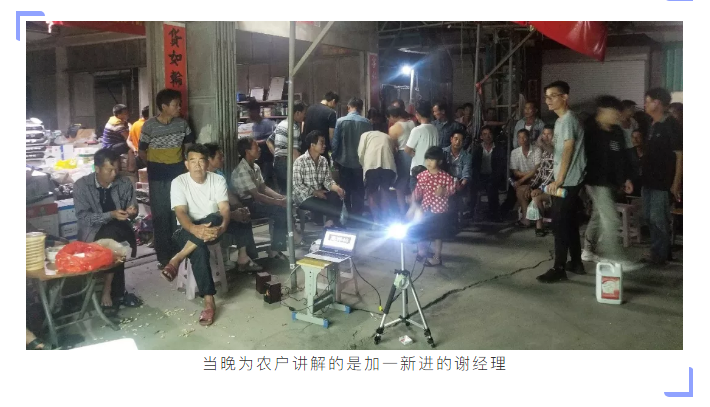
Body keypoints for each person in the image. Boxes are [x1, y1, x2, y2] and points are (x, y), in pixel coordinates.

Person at [169, 144, 231, 326]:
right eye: (193, 161)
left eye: (201, 161)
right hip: (186, 229)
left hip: (214, 229)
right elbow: (180, 212)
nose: (197, 165)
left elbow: (224, 209)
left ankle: (178, 257)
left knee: (214, 217)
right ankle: (209, 301)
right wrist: (194, 228)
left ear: (207, 163)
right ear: (186, 164)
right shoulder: (178, 182)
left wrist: (223, 227)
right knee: (199, 250)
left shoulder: (217, 180)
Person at [74, 148, 142, 312]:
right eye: (109, 170)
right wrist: (110, 215)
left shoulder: (124, 183)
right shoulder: (82, 185)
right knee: (112, 239)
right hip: (93, 231)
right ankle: (115, 292)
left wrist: (132, 211)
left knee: (113, 236)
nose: (114, 174)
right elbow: (83, 217)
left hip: (121, 228)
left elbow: (133, 208)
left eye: (116, 170)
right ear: (97, 169)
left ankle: (108, 289)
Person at [537, 81, 587, 283]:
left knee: (559, 224)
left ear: (565, 97)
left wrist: (558, 180)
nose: (548, 100)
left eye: (552, 96)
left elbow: (568, 149)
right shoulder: (560, 121)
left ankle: (559, 268)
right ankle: (576, 262)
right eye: (546, 97)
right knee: (570, 222)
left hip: (568, 181)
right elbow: (559, 151)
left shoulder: (568, 120)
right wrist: (546, 146)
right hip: (568, 179)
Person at [139, 89, 195, 270]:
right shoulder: (149, 126)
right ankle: (164, 258)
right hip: (157, 178)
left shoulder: (182, 124)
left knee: (178, 215)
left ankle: (179, 255)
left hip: (178, 176)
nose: (179, 107)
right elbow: (142, 151)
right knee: (160, 216)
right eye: (175, 105)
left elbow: (189, 147)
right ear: (164, 107)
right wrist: (155, 166)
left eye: (179, 104)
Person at [581, 95, 635, 263]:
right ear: (602, 111)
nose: (617, 116)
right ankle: (614, 257)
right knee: (611, 219)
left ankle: (588, 250)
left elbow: (622, 157)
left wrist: (626, 179)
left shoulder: (617, 132)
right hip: (596, 181)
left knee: (598, 216)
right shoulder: (589, 131)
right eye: (614, 112)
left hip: (612, 182)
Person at [232, 136, 299, 259]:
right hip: (245, 204)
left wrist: (281, 197)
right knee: (280, 210)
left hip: (255, 202)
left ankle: (279, 245)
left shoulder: (255, 167)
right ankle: (277, 248)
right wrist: (278, 202)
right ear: (247, 151)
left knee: (283, 207)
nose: (259, 149)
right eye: (256, 147)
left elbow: (263, 188)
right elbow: (257, 195)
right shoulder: (242, 170)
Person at [204, 143, 261, 272]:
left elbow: (229, 195)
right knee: (236, 219)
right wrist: (233, 214)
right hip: (209, 219)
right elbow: (209, 209)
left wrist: (240, 208)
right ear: (209, 159)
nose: (223, 159)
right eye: (219, 157)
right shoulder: (202, 178)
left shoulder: (219, 175)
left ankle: (243, 258)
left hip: (222, 214)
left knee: (244, 219)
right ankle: (236, 259)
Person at [641, 88, 683, 265]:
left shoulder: (671, 125)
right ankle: (656, 250)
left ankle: (661, 254)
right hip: (648, 179)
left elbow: (680, 155)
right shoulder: (652, 124)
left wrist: (675, 183)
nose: (645, 104)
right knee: (649, 217)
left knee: (659, 218)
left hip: (663, 181)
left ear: (657, 103)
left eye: (647, 101)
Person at [409, 146, 456, 266]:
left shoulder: (445, 177)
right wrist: (413, 203)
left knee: (437, 235)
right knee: (421, 231)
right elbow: (418, 191)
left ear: (439, 161)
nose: (429, 162)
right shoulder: (423, 175)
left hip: (439, 211)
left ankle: (437, 257)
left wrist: (444, 191)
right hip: (425, 209)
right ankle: (422, 251)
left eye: (432, 160)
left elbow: (452, 190)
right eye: (427, 159)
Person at [293, 131, 346, 228]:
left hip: (319, 193)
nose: (324, 145)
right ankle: (332, 224)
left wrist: (336, 188)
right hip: (304, 197)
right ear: (312, 145)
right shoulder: (300, 161)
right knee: (329, 205)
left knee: (337, 195)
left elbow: (327, 180)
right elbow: (297, 185)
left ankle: (330, 223)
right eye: (321, 143)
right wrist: (314, 192)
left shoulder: (323, 160)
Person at [332, 97, 372, 217]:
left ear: (349, 107)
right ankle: (358, 215)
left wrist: (334, 157)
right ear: (361, 108)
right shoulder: (367, 123)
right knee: (359, 189)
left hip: (344, 161)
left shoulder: (340, 121)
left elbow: (335, 143)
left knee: (345, 189)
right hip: (361, 163)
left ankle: (348, 213)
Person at [358, 129, 396, 226]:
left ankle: (376, 221)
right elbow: (393, 152)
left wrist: (364, 165)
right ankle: (385, 220)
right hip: (388, 165)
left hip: (371, 165)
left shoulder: (365, 134)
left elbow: (360, 153)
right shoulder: (388, 137)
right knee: (385, 192)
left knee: (372, 193)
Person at [267, 101, 305, 193]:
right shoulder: (293, 127)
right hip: (287, 164)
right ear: (297, 113)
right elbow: (294, 152)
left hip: (278, 163)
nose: (304, 116)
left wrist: (277, 154)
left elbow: (268, 141)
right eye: (303, 113)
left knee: (283, 192)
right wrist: (300, 170)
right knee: (292, 192)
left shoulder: (281, 124)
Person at [471, 125, 507, 222]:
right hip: (481, 176)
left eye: (490, 134)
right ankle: (472, 211)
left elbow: (501, 167)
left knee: (491, 186)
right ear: (481, 137)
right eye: (485, 134)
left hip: (494, 177)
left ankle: (494, 214)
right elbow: (474, 167)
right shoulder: (477, 150)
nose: (488, 136)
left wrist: (495, 177)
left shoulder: (499, 149)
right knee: (472, 185)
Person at [387, 106, 416, 217]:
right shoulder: (412, 123)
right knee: (412, 182)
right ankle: (413, 209)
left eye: (389, 117)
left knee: (400, 185)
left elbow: (393, 146)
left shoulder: (394, 128)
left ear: (392, 116)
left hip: (402, 155)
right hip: (414, 154)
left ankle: (403, 211)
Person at [509, 129, 542, 227]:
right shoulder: (514, 152)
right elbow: (515, 172)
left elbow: (537, 170)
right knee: (520, 191)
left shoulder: (537, 150)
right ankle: (526, 219)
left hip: (536, 180)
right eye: (519, 137)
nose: (522, 140)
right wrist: (530, 173)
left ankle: (531, 219)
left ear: (529, 138)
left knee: (521, 188)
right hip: (523, 180)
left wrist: (523, 179)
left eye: (524, 137)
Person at [405, 100, 439, 193]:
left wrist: (415, 154)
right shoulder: (434, 129)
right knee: (428, 198)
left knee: (416, 198)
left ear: (417, 114)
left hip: (418, 170)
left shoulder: (417, 130)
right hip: (432, 170)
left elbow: (407, 149)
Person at [528, 125, 556, 236]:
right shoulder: (545, 152)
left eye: (549, 134)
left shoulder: (556, 151)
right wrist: (531, 185)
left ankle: (539, 226)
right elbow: (540, 171)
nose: (546, 137)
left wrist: (540, 189)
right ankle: (534, 223)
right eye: (544, 134)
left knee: (536, 197)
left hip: (555, 186)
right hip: (545, 186)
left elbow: (552, 174)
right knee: (528, 192)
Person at [246, 99, 277, 188]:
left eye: (250, 112)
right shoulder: (254, 125)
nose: (249, 115)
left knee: (266, 181)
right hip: (258, 158)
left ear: (257, 111)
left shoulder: (268, 124)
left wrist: (256, 142)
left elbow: (272, 140)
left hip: (268, 158)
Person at [443, 131, 472, 219]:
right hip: (445, 180)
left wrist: (462, 184)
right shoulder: (443, 152)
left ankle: (459, 215)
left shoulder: (467, 156)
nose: (458, 142)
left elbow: (466, 172)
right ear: (451, 139)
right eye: (456, 139)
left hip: (459, 180)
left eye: (461, 140)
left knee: (462, 192)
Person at [302, 91, 339, 161]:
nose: (334, 107)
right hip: (321, 149)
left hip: (307, 147)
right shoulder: (331, 113)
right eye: (335, 105)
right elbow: (331, 135)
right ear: (333, 101)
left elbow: (303, 125)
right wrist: (332, 150)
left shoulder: (310, 109)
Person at [102, 104, 135, 171]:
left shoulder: (115, 119)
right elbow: (128, 137)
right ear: (118, 115)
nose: (127, 114)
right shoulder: (116, 124)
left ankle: (125, 168)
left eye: (127, 112)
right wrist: (131, 127)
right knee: (133, 146)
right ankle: (131, 168)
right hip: (110, 147)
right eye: (125, 113)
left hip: (111, 145)